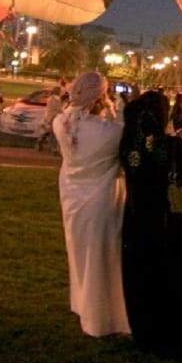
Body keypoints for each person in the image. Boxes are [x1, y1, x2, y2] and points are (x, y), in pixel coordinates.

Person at [117, 89, 182, 361]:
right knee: (172, 275)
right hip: (166, 220)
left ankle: (146, 333)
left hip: (137, 217)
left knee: (143, 274)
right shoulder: (171, 146)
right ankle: (177, 335)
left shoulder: (128, 146)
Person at [52, 72, 130, 338]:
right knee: (104, 258)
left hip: (72, 196)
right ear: (99, 98)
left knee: (81, 254)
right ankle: (103, 319)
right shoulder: (110, 132)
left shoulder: (60, 123)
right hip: (101, 199)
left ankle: (85, 307)